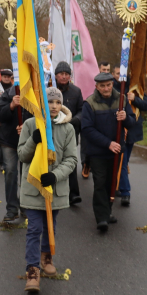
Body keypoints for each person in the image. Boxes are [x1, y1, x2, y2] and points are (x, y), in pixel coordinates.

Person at [18, 87, 77, 292]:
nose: (54, 106)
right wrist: (33, 141)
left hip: (55, 189)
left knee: (50, 226)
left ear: (62, 105)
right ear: (43, 103)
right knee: (34, 228)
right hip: (33, 189)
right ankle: (32, 270)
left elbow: (71, 160)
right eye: (50, 102)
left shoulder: (68, 129)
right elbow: (22, 156)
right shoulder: (29, 125)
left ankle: (46, 256)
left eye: (58, 102)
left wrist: (55, 176)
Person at [81, 72, 135, 232]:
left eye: (109, 85)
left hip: (117, 151)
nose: (106, 88)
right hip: (98, 152)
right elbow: (87, 129)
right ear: (96, 86)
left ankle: (107, 211)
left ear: (113, 84)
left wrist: (125, 117)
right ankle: (101, 218)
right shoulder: (89, 103)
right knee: (99, 183)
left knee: (111, 182)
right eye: (102, 85)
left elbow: (132, 123)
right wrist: (108, 143)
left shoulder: (122, 100)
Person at [0, 78, 32, 222]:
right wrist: (11, 105)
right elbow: (0, 115)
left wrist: (27, 127)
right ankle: (11, 209)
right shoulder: (7, 94)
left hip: (28, 142)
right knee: (10, 172)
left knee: (26, 174)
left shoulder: (35, 95)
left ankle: (25, 205)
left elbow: (40, 116)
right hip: (9, 141)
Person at [54, 61, 83, 205]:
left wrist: (74, 120)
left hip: (71, 132)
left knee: (71, 161)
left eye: (66, 74)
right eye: (61, 74)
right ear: (56, 76)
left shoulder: (76, 91)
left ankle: (74, 194)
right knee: (55, 161)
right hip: (54, 132)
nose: (64, 77)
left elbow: (81, 111)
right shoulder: (50, 90)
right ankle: (56, 192)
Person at [118, 87, 147, 206]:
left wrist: (135, 99)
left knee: (124, 161)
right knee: (121, 162)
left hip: (131, 131)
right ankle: (125, 191)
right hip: (117, 131)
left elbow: (146, 105)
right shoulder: (112, 87)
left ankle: (121, 186)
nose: (119, 75)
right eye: (116, 73)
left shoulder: (135, 88)